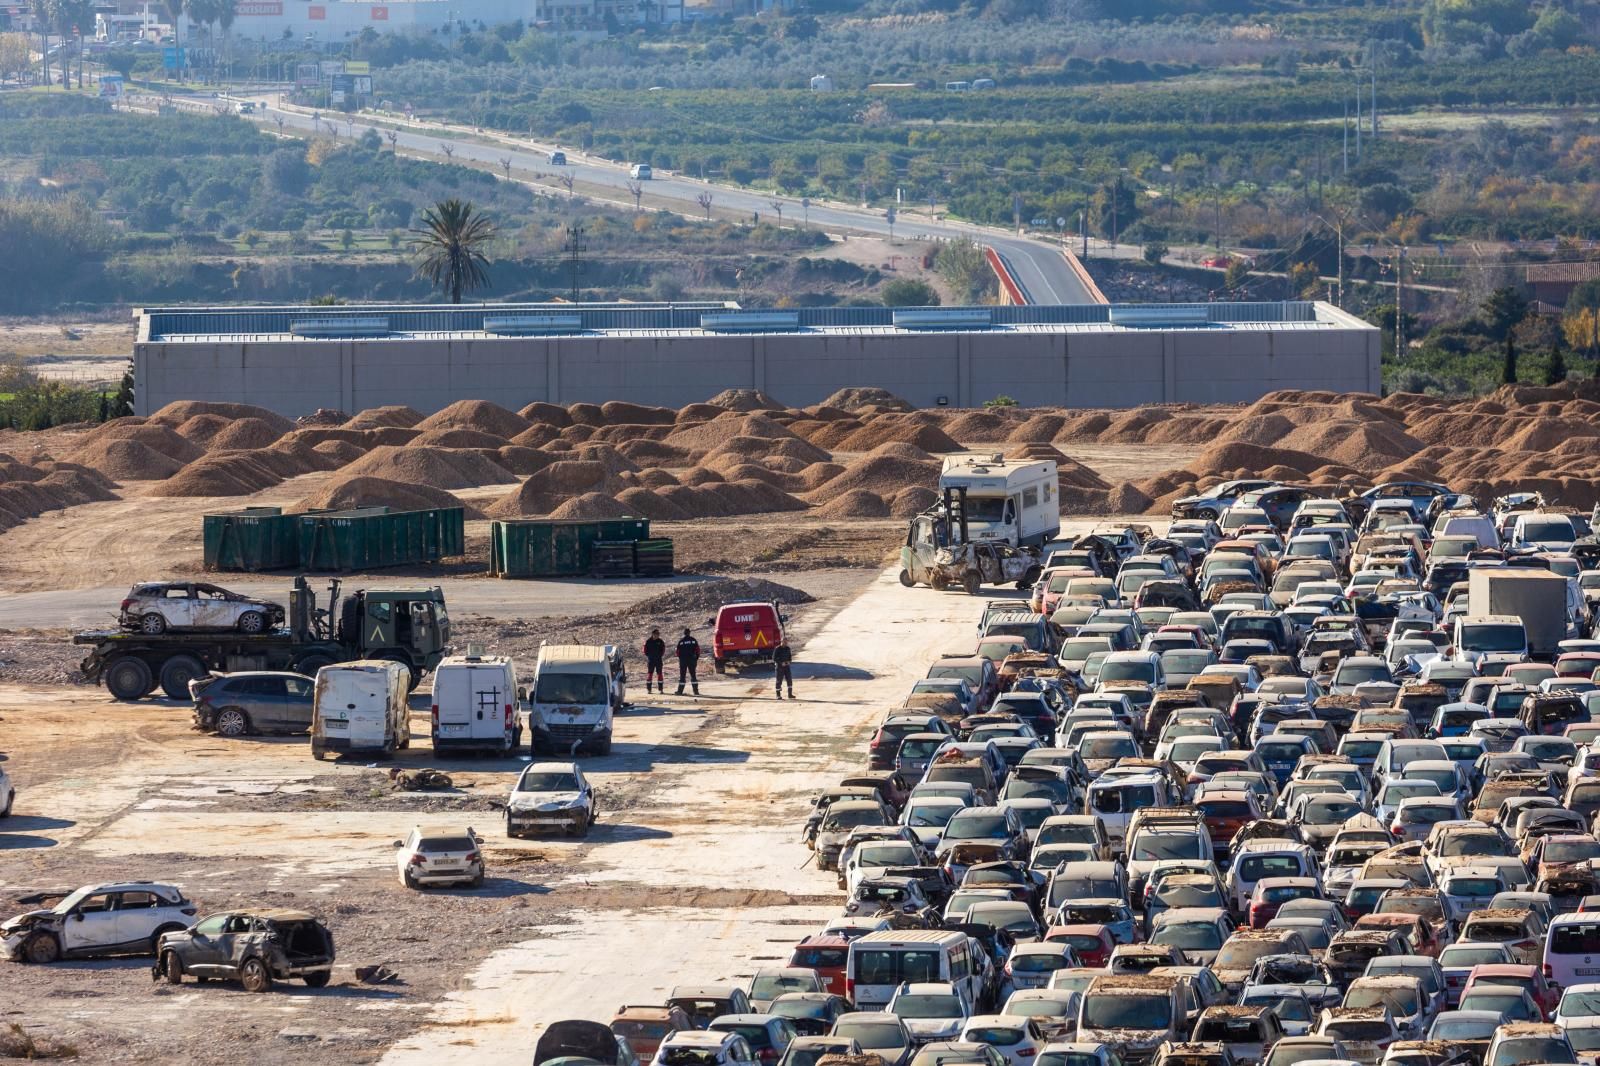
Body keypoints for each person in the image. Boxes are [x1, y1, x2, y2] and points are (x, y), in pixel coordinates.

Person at [675, 627, 700, 696]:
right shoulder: (693, 640)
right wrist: (696, 658)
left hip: (683, 660)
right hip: (692, 660)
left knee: (682, 676)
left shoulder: (681, 641)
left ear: (684, 633)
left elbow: (677, 652)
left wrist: (681, 658)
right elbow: (698, 650)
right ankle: (696, 692)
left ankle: (680, 691)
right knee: (693, 675)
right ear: (689, 633)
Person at [642, 628, 666, 694]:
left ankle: (661, 689)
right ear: (653, 634)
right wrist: (650, 656)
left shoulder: (660, 641)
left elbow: (663, 650)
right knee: (650, 674)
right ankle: (649, 689)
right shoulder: (648, 641)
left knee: (660, 674)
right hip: (651, 660)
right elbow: (644, 650)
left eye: (658, 634)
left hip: (658, 660)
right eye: (656, 634)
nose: (658, 635)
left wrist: (659, 655)